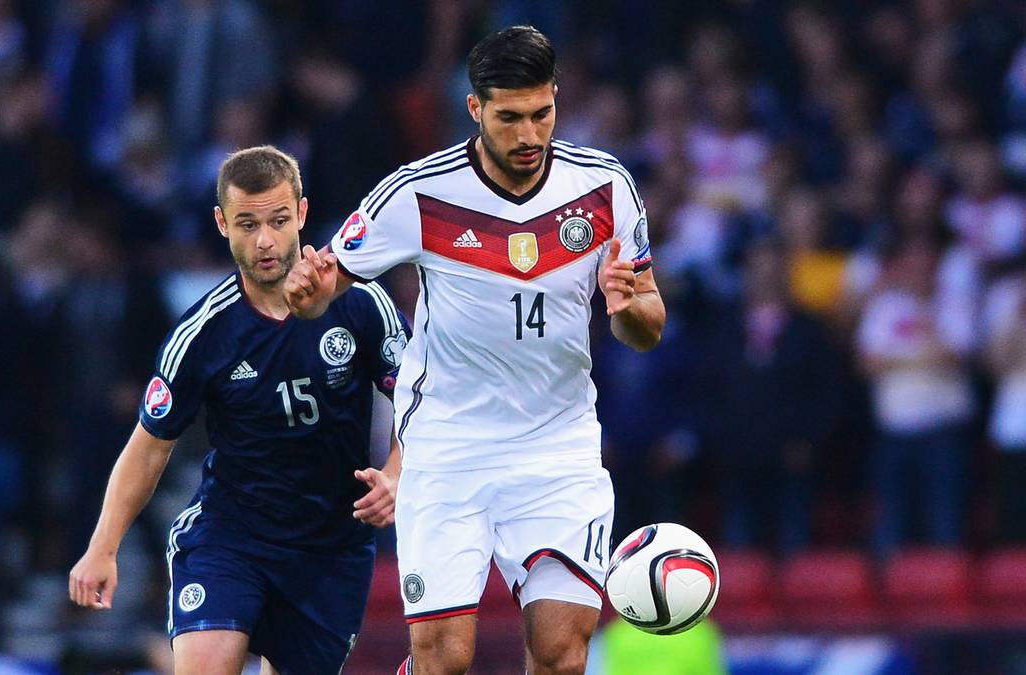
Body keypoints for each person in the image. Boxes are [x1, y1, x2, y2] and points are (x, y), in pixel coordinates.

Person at [284, 26, 665, 675]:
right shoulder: (417, 192)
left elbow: (648, 322)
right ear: (475, 109)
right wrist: (308, 290)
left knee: (562, 652)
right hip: (448, 447)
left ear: (556, 99)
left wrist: (629, 307)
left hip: (557, 447)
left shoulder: (604, 189)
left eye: (541, 113)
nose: (527, 134)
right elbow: (325, 285)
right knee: (444, 661)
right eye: (509, 117)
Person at [69, 146, 410, 675]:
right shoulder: (203, 333)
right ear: (222, 223)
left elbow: (421, 399)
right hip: (232, 538)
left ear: (301, 212)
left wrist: (396, 472)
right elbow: (149, 447)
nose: (266, 241)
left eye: (277, 220)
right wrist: (103, 546)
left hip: (330, 549)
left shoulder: (361, 301)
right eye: (247, 224)